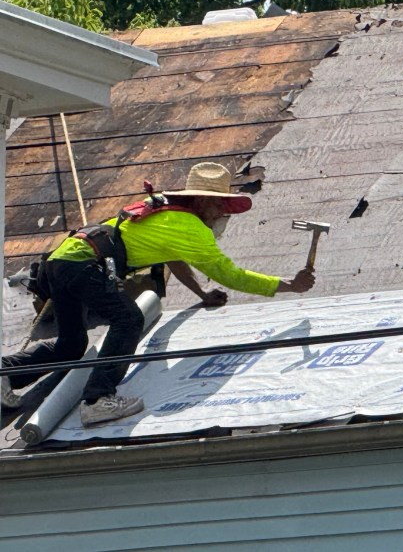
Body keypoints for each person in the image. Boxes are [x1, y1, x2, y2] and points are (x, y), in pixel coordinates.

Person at [0, 162, 316, 425]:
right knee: (128, 320)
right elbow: (230, 275)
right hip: (86, 263)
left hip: (63, 260)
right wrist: (288, 284)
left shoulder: (167, 212)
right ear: (202, 201)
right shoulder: (191, 228)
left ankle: (6, 374)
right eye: (220, 204)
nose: (223, 212)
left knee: (71, 345)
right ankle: (97, 400)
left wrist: (202, 293)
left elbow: (173, 260)